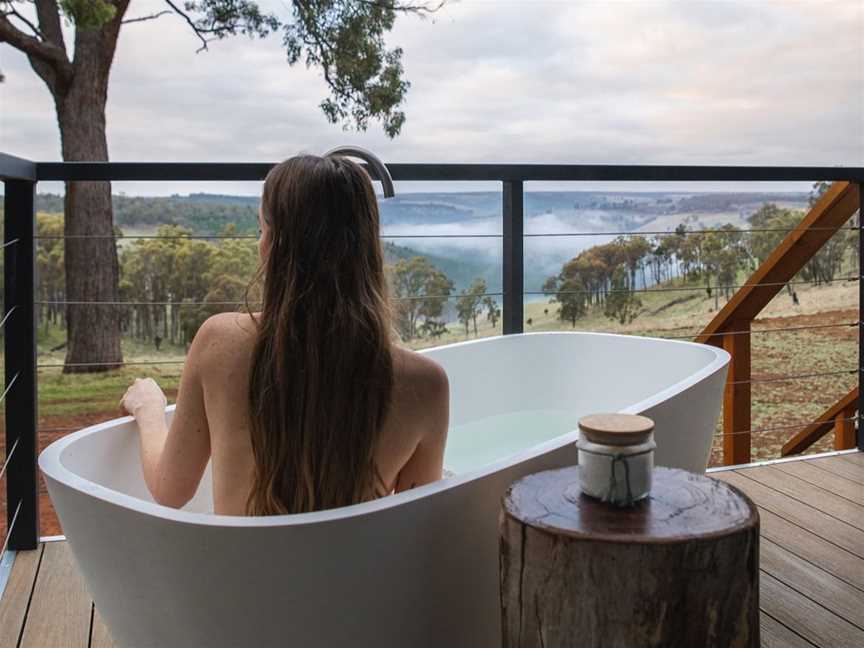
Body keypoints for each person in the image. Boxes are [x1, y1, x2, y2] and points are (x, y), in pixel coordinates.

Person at [120, 155, 449, 515]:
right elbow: (417, 519)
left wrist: (149, 409)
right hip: (357, 573)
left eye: (263, 229)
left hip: (237, 572)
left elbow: (171, 491)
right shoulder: (426, 384)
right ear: (369, 248)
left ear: (274, 246)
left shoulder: (218, 342)